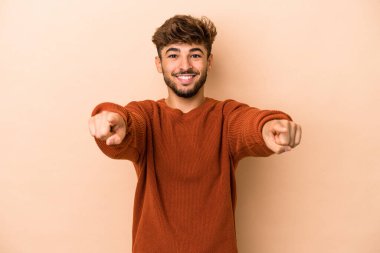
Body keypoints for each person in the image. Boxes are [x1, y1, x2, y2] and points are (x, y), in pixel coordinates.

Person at [88, 15, 301, 253]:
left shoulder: (226, 116)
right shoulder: (147, 116)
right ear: (159, 64)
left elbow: (249, 125)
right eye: (173, 55)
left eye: (195, 54)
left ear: (209, 61)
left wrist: (268, 127)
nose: (185, 65)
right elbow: (129, 123)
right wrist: (112, 120)